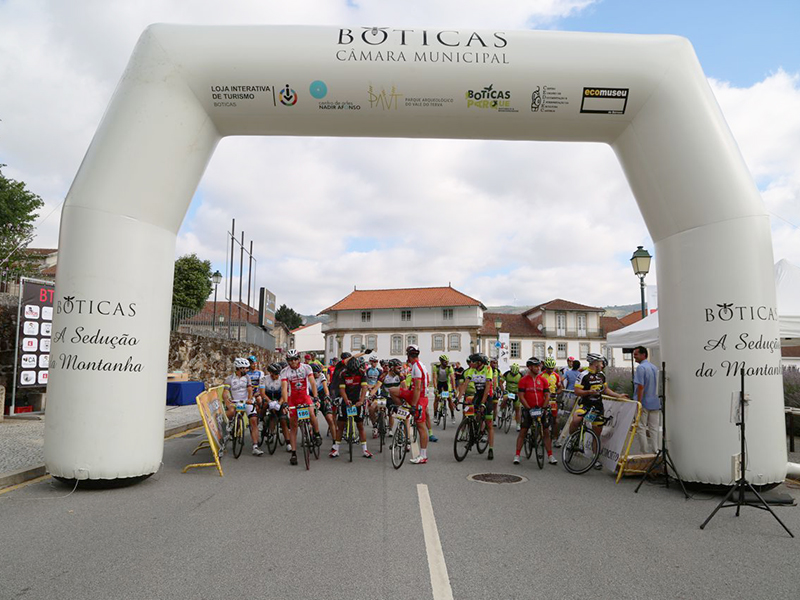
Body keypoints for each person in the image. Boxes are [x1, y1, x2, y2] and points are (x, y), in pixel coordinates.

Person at [570, 353, 627, 467]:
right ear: (595, 363)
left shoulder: (601, 375)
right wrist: (588, 392)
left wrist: (618, 396)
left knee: (597, 433)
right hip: (585, 405)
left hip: (597, 407)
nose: (602, 365)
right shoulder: (583, 375)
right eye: (601, 362)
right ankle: (572, 438)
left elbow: (606, 390)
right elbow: (577, 391)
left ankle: (595, 457)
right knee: (576, 420)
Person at [386, 345, 430, 464]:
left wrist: (414, 406)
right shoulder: (420, 365)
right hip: (415, 394)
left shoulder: (416, 368)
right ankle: (403, 408)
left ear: (408, 356)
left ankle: (423, 455)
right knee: (393, 391)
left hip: (419, 398)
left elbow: (418, 389)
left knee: (421, 427)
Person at [280, 349, 320, 465]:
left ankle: (316, 434)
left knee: (312, 413)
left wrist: (316, 397)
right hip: (293, 399)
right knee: (293, 426)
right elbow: (284, 388)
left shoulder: (306, 368)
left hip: (305, 396)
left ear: (299, 359)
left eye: (295, 359)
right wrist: (285, 402)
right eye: (290, 360)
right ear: (287, 361)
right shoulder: (284, 372)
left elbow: (312, 383)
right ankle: (293, 453)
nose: (293, 362)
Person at [514, 357, 556, 465]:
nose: (538, 368)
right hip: (529, 408)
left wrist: (544, 408)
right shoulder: (523, 380)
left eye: (539, 366)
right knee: (523, 431)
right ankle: (517, 454)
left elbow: (547, 395)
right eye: (536, 366)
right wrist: (528, 408)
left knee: (546, 432)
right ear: (529, 367)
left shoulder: (543, 380)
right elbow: (521, 396)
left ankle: (550, 455)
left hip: (541, 409)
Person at [332, 356, 373, 459]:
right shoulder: (344, 374)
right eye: (351, 371)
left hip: (357, 399)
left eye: (354, 371)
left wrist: (361, 400)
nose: (353, 373)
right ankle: (336, 449)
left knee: (360, 426)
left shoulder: (361, 373)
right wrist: (346, 400)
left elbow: (364, 388)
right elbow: (342, 389)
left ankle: (365, 449)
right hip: (346, 398)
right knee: (340, 425)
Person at [223, 357, 263, 456]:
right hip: (235, 402)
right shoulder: (229, 379)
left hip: (246, 401)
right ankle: (229, 426)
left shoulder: (247, 378)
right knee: (231, 411)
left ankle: (255, 446)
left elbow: (250, 389)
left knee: (253, 420)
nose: (247, 370)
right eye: (245, 368)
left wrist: (249, 399)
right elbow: (225, 392)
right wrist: (228, 403)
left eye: (247, 368)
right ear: (239, 368)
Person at [459, 353, 495, 460]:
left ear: (479, 363)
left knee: (489, 424)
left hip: (487, 396)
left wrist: (483, 403)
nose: (470, 363)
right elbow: (465, 385)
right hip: (478, 395)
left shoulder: (488, 369)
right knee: (468, 412)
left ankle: (491, 449)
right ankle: (472, 434)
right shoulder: (471, 370)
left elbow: (488, 387)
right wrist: (458, 398)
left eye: (472, 362)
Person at [633, 346, 660, 454]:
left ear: (643, 354)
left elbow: (640, 386)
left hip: (644, 402)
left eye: (636, 354)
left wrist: (639, 402)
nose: (634, 357)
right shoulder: (654, 367)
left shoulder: (641, 368)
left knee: (641, 427)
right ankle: (655, 450)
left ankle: (644, 451)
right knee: (654, 428)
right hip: (655, 401)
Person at [260, 362, 292, 452]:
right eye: (275, 374)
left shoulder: (282, 380)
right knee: (265, 405)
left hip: (279, 399)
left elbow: (284, 393)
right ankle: (261, 420)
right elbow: (262, 393)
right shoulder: (263, 379)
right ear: (270, 373)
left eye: (278, 374)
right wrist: (269, 401)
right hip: (268, 398)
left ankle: (288, 443)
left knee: (283, 420)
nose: (277, 376)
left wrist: (279, 403)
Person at [311, 362, 337, 447]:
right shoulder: (307, 378)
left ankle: (335, 442)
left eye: (319, 372)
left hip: (322, 397)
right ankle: (311, 435)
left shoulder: (322, 375)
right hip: (311, 397)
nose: (318, 374)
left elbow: (325, 387)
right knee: (311, 418)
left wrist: (327, 396)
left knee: (330, 419)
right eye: (316, 373)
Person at [542, 357, 564, 445]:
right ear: (545, 367)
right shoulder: (541, 376)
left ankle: (555, 439)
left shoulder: (556, 376)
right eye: (548, 368)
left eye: (552, 368)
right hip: (543, 400)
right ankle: (540, 435)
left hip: (552, 401)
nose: (550, 370)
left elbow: (560, 388)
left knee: (555, 420)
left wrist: (556, 393)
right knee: (542, 418)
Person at [432, 354, 457, 426]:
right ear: (441, 361)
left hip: (446, 383)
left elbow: (452, 379)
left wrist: (454, 389)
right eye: (445, 362)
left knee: (449, 399)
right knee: (436, 399)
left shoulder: (449, 367)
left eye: (447, 362)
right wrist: (435, 388)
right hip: (439, 383)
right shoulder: (436, 367)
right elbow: (434, 378)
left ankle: (452, 415)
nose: (447, 363)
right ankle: (435, 415)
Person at [502, 363, 523, 432]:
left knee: (518, 408)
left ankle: (518, 424)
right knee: (505, 398)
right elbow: (501, 382)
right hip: (508, 391)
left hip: (516, 393)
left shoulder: (521, 375)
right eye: (512, 374)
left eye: (515, 374)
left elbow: (523, 385)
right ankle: (501, 410)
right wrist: (503, 390)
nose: (513, 375)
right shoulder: (507, 374)